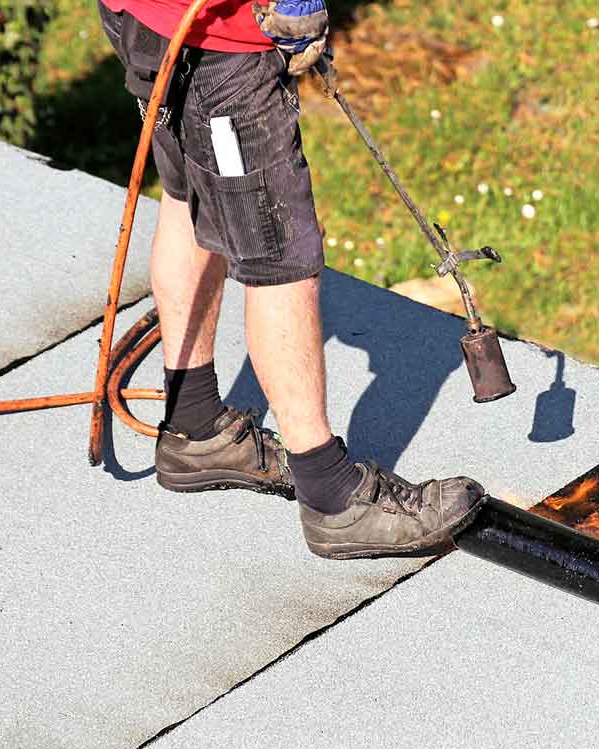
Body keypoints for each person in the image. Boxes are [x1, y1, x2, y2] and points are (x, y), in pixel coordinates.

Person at [96, 0, 483, 558]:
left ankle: (196, 425)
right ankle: (333, 499)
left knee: (189, 197)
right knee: (280, 254)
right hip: (221, 45)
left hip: (143, 16)